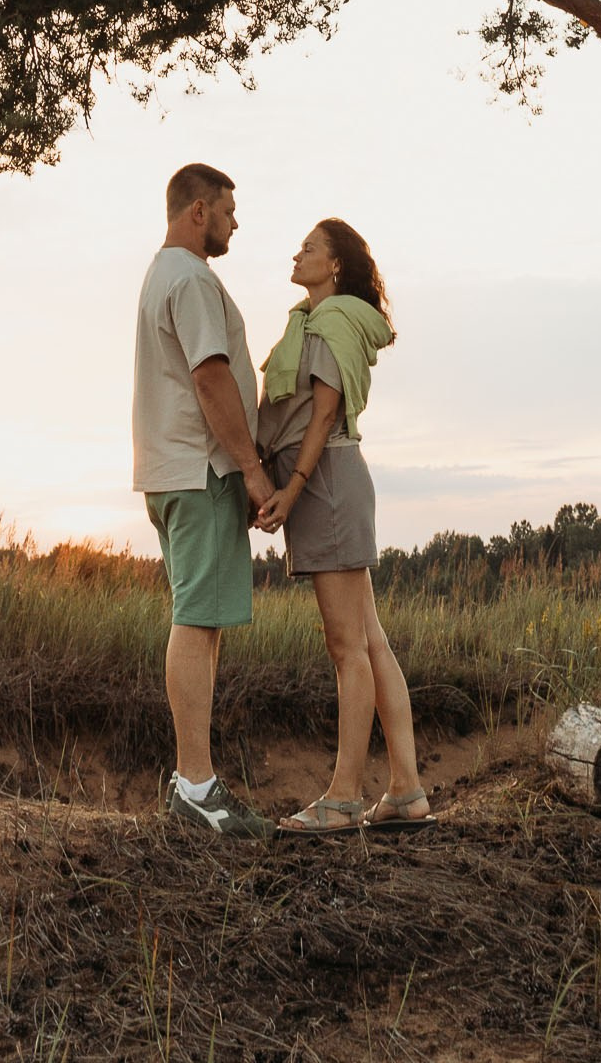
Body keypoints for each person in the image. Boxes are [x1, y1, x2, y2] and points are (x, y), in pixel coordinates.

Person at [256, 219, 433, 834]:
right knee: (371, 640)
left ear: (334, 266)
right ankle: (407, 790)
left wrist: (290, 490)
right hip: (335, 477)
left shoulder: (330, 323)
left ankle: (343, 797)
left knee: (346, 647)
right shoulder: (317, 320)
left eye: (309, 247)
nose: (296, 252)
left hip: (326, 480)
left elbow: (323, 412)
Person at [132, 161, 275, 839]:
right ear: (198, 211)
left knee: (203, 618)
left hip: (178, 469)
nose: (234, 221)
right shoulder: (189, 278)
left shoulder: (168, 274)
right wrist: (251, 470)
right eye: (227, 209)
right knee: (196, 617)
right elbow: (212, 379)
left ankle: (199, 782)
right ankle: (193, 787)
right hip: (200, 469)